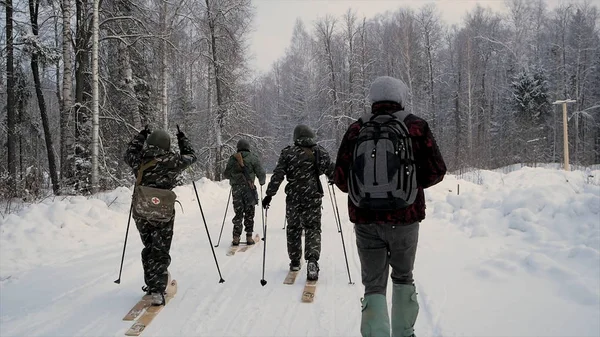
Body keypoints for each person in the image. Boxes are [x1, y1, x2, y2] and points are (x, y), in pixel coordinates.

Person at [333, 76, 446, 337]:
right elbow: (437, 170)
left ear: (373, 99)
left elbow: (341, 179)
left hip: (365, 221)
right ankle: (404, 333)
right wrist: (408, 186)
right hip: (405, 219)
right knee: (403, 277)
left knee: (373, 285)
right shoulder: (416, 126)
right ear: (400, 97)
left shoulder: (356, 129)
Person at [124, 126, 197, 305]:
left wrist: (141, 135)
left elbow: (129, 152)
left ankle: (151, 284)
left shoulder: (139, 159)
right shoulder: (172, 160)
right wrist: (182, 137)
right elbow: (191, 156)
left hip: (142, 210)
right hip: (163, 211)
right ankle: (157, 289)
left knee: (149, 246)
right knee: (160, 248)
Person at [262, 124, 334, 281]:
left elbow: (278, 175)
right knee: (313, 228)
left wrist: (269, 195)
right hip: (313, 198)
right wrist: (335, 179)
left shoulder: (288, 153)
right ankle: (313, 261)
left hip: (294, 198)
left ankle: (295, 261)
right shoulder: (319, 151)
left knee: (294, 229)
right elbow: (331, 170)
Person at [223, 139, 266, 246]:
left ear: (238, 147)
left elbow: (226, 174)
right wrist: (261, 182)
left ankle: (236, 237)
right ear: (248, 147)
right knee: (249, 212)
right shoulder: (253, 158)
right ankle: (249, 237)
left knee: (238, 212)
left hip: (236, 189)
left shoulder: (233, 158)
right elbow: (261, 172)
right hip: (249, 188)